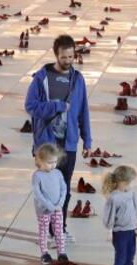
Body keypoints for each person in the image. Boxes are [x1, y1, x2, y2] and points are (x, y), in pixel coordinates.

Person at [24, 34, 92, 243]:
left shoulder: (78, 80)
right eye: (64, 57)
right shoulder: (41, 78)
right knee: (48, 189)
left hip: (69, 142)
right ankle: (49, 231)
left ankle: (59, 229)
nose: (68, 61)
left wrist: (87, 140)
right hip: (47, 143)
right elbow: (30, 106)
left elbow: (83, 112)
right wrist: (57, 106)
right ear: (56, 55)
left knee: (64, 188)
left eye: (71, 56)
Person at [101, 166, 137, 265]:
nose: (130, 185)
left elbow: (135, 209)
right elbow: (110, 215)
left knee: (130, 254)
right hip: (120, 233)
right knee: (121, 256)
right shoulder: (114, 198)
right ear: (120, 182)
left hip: (131, 230)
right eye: (128, 183)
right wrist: (109, 231)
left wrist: (136, 224)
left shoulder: (131, 193)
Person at [32, 143, 68, 265]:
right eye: (49, 162)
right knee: (43, 231)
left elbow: (64, 188)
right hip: (44, 210)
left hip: (57, 208)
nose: (53, 165)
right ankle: (44, 253)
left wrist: (60, 203)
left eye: (55, 162)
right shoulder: (37, 175)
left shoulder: (58, 173)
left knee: (59, 231)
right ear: (40, 161)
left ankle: (61, 252)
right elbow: (38, 194)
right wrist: (50, 206)